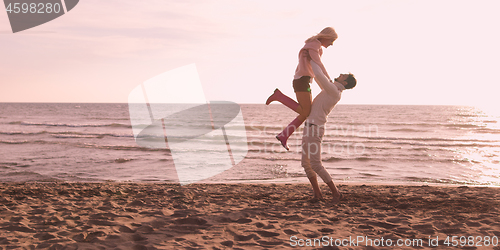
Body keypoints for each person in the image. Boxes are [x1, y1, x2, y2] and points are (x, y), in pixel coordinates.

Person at [269, 61, 357, 203]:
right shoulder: (331, 89)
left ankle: (336, 193)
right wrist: (312, 63)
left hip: (315, 129)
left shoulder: (334, 91)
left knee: (316, 164)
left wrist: (311, 59)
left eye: (343, 75)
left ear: (345, 82)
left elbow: (318, 75)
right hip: (310, 127)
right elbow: (318, 77)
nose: (340, 75)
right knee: (306, 163)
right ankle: (318, 194)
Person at [266, 27, 338, 150]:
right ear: (326, 37)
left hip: (304, 81)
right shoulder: (314, 45)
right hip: (301, 81)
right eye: (332, 41)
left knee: (306, 112)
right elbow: (319, 65)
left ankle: (284, 135)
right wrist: (329, 81)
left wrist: (324, 87)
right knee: (306, 112)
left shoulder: (316, 46)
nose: (332, 44)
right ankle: (279, 98)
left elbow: (315, 69)